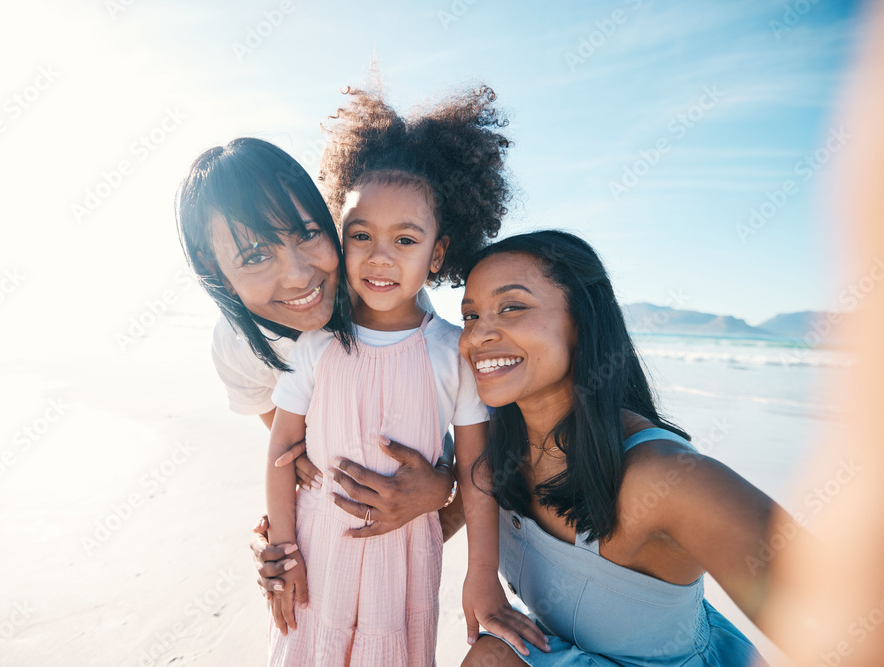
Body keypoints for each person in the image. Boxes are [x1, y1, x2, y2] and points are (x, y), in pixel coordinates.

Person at [264, 84, 520, 666]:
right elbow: (280, 450)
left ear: (437, 253)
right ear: (338, 236)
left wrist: (482, 575)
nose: (381, 257)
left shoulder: (452, 352)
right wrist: (284, 553)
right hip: (317, 554)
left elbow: (478, 470)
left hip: (403, 564)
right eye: (361, 235)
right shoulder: (317, 344)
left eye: (405, 240)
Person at [457, 230, 798, 666]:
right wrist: (430, 492)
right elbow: (461, 497)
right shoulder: (491, 448)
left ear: (582, 320)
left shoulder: (667, 479)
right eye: (470, 316)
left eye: (512, 307)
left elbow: (842, 612)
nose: (479, 334)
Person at [175, 136, 461, 602]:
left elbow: (466, 452)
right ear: (215, 267)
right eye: (255, 255)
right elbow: (294, 458)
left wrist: (440, 494)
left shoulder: (383, 300)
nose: (299, 276)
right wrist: (281, 548)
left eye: (307, 233)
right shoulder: (237, 347)